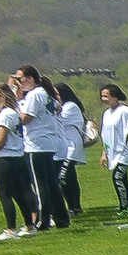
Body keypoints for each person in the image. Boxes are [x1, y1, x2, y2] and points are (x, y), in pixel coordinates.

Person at [0, 83, 36, 239]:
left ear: (2, 95)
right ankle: (30, 226)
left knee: (5, 194)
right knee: (19, 193)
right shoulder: (12, 112)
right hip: (17, 157)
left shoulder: (5, 115)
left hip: (8, 160)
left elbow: (0, 141)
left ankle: (11, 230)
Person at [14, 65, 67, 230]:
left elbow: (25, 118)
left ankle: (41, 221)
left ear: (30, 79)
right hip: (48, 142)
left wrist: (13, 109)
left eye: (20, 79)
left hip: (36, 144)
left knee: (40, 185)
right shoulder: (46, 94)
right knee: (51, 183)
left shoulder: (35, 95)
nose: (18, 83)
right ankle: (62, 218)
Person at [99, 84, 128, 216]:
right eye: (102, 96)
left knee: (117, 177)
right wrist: (104, 153)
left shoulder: (124, 110)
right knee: (123, 179)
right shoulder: (106, 114)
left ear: (115, 97)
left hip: (126, 149)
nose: (104, 99)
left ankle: (123, 208)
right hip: (113, 150)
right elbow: (106, 135)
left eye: (106, 96)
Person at [54, 83, 88, 215]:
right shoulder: (64, 107)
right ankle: (75, 207)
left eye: (57, 94)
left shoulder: (70, 107)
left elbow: (57, 121)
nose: (55, 97)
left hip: (71, 147)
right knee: (70, 178)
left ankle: (73, 207)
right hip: (66, 147)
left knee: (63, 177)